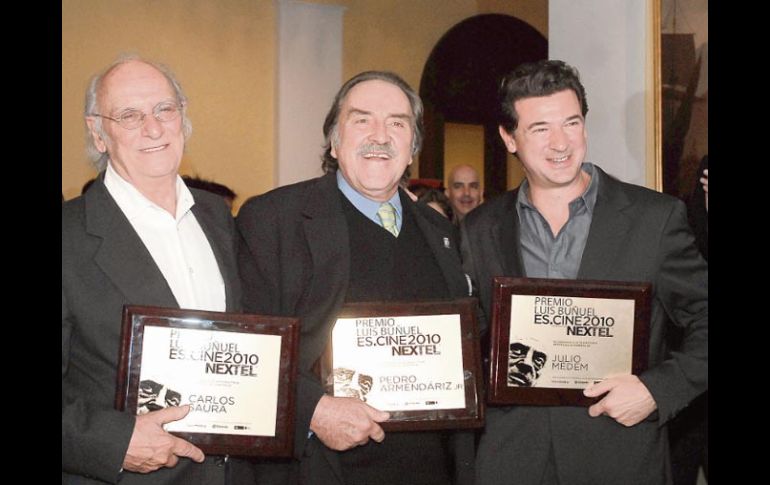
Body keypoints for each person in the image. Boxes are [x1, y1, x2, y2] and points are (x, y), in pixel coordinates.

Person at [460, 60, 708, 484]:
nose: (560, 143)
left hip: (620, 458)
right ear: (509, 138)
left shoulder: (655, 219)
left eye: (571, 123)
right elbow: (466, 337)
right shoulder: (480, 228)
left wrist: (657, 390)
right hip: (513, 461)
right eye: (540, 128)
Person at [237, 70, 474, 485]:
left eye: (397, 123)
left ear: (413, 147)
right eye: (362, 119)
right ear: (334, 140)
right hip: (322, 470)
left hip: (431, 467)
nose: (380, 136)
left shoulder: (440, 231)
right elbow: (244, 347)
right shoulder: (273, 220)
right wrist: (313, 411)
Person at [62, 56, 257, 485]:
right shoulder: (68, 236)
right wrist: (114, 442)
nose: (153, 129)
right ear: (98, 133)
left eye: (164, 109)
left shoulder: (218, 218)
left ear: (182, 117)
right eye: (129, 116)